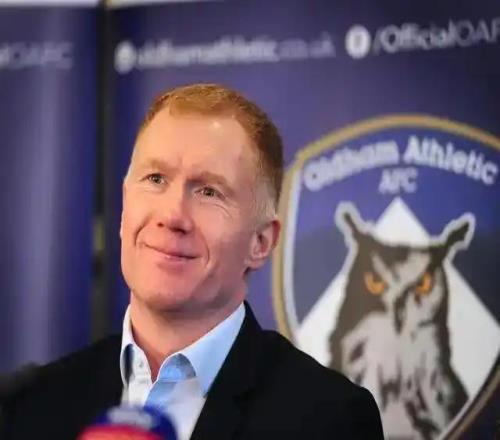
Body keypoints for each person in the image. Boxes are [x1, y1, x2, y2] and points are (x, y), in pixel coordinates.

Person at [0, 83, 384, 439]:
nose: (172, 215)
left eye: (208, 191)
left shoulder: (330, 418)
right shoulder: (29, 406)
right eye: (155, 179)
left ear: (261, 242)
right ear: (125, 205)